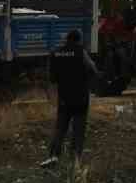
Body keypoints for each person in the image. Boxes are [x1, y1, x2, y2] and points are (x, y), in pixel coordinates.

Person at [40, 30, 97, 167]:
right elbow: (92, 69)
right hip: (81, 99)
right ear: (79, 40)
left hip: (64, 99)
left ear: (67, 39)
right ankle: (75, 160)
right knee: (78, 130)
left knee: (60, 128)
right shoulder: (81, 52)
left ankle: (53, 156)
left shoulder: (55, 53)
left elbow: (52, 78)